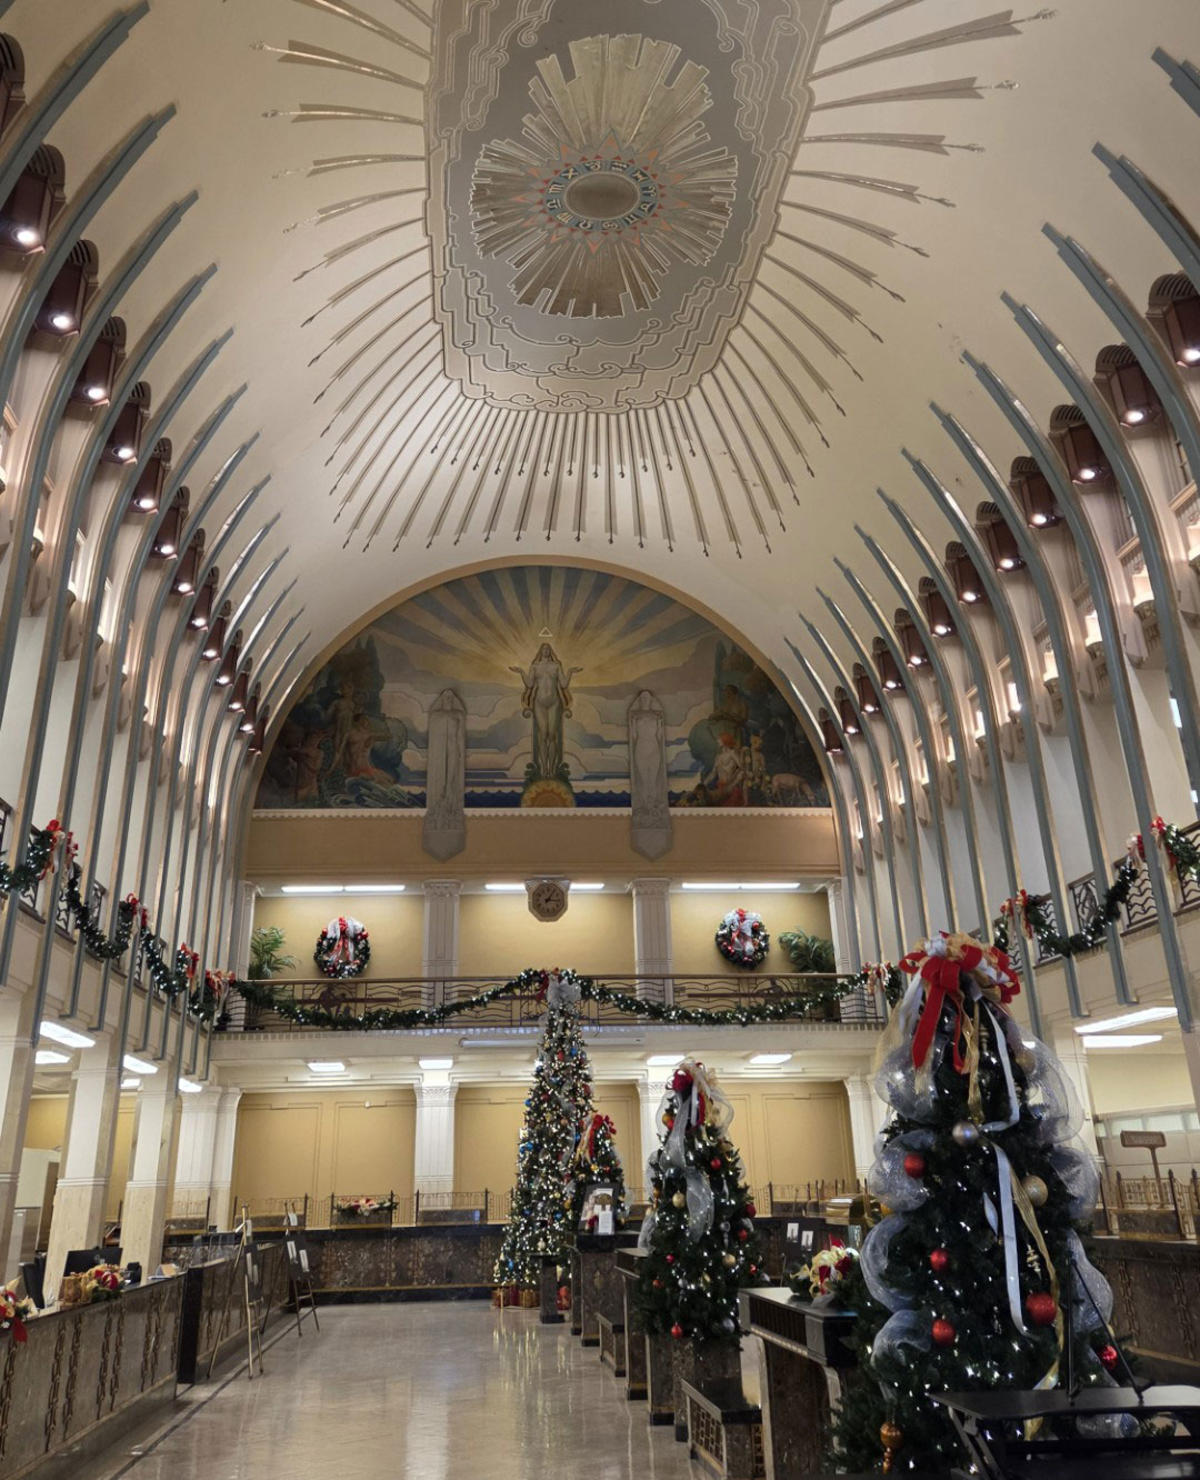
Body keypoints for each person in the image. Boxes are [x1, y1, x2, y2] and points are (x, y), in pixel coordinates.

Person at [509, 643, 581, 780]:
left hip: (554, 703)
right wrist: (521, 672)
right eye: (544, 649)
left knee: (552, 735)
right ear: (540, 651)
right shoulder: (535, 666)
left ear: (551, 651)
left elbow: (564, 684)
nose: (546, 651)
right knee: (542, 735)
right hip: (539, 703)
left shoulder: (556, 666)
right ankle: (544, 768)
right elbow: (530, 684)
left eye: (548, 649)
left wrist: (570, 671)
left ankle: (552, 769)